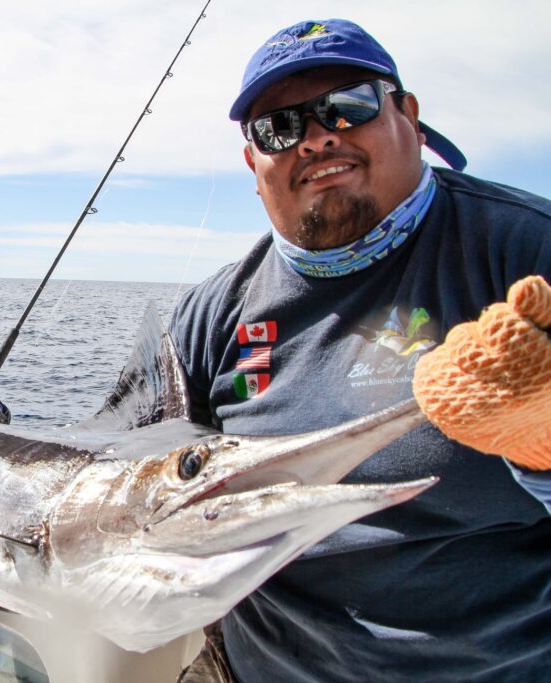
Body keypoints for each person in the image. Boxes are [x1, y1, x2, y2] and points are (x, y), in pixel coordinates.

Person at [170, 18, 551, 683]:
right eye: (278, 128)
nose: (317, 137)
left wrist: (542, 451)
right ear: (252, 163)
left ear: (409, 115)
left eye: (348, 106)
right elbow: (129, 465)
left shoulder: (527, 252)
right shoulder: (211, 313)